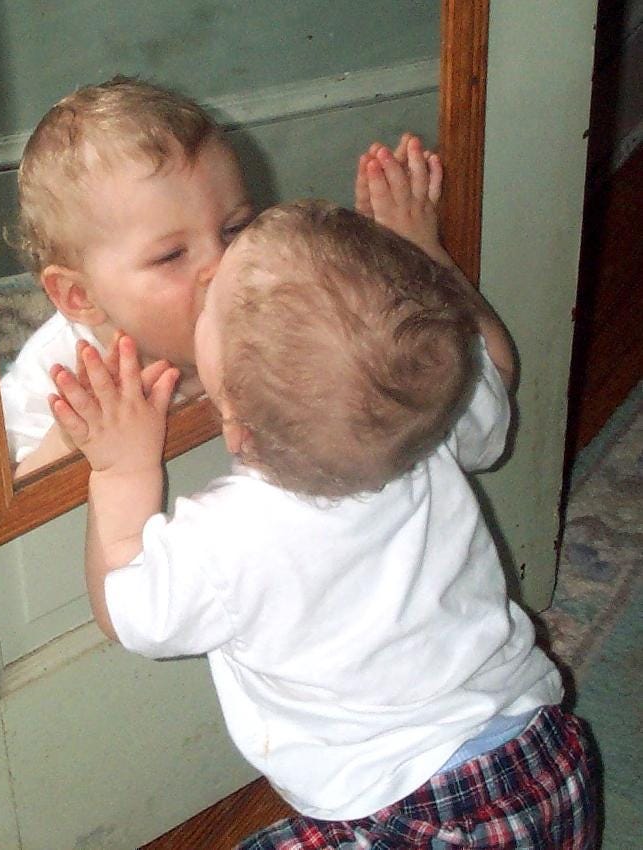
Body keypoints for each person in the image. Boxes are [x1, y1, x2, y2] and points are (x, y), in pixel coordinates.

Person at [48, 194, 597, 844]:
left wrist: (123, 470)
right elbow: (493, 367)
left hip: (406, 820)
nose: (205, 275)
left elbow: (131, 612)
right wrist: (429, 256)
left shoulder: (228, 535)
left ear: (235, 428)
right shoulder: (427, 426)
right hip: (548, 768)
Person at [0, 73, 432, 480]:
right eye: (171, 255)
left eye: (234, 228)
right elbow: (18, 500)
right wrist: (70, 439)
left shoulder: (278, 304)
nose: (224, 265)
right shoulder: (61, 371)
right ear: (79, 297)